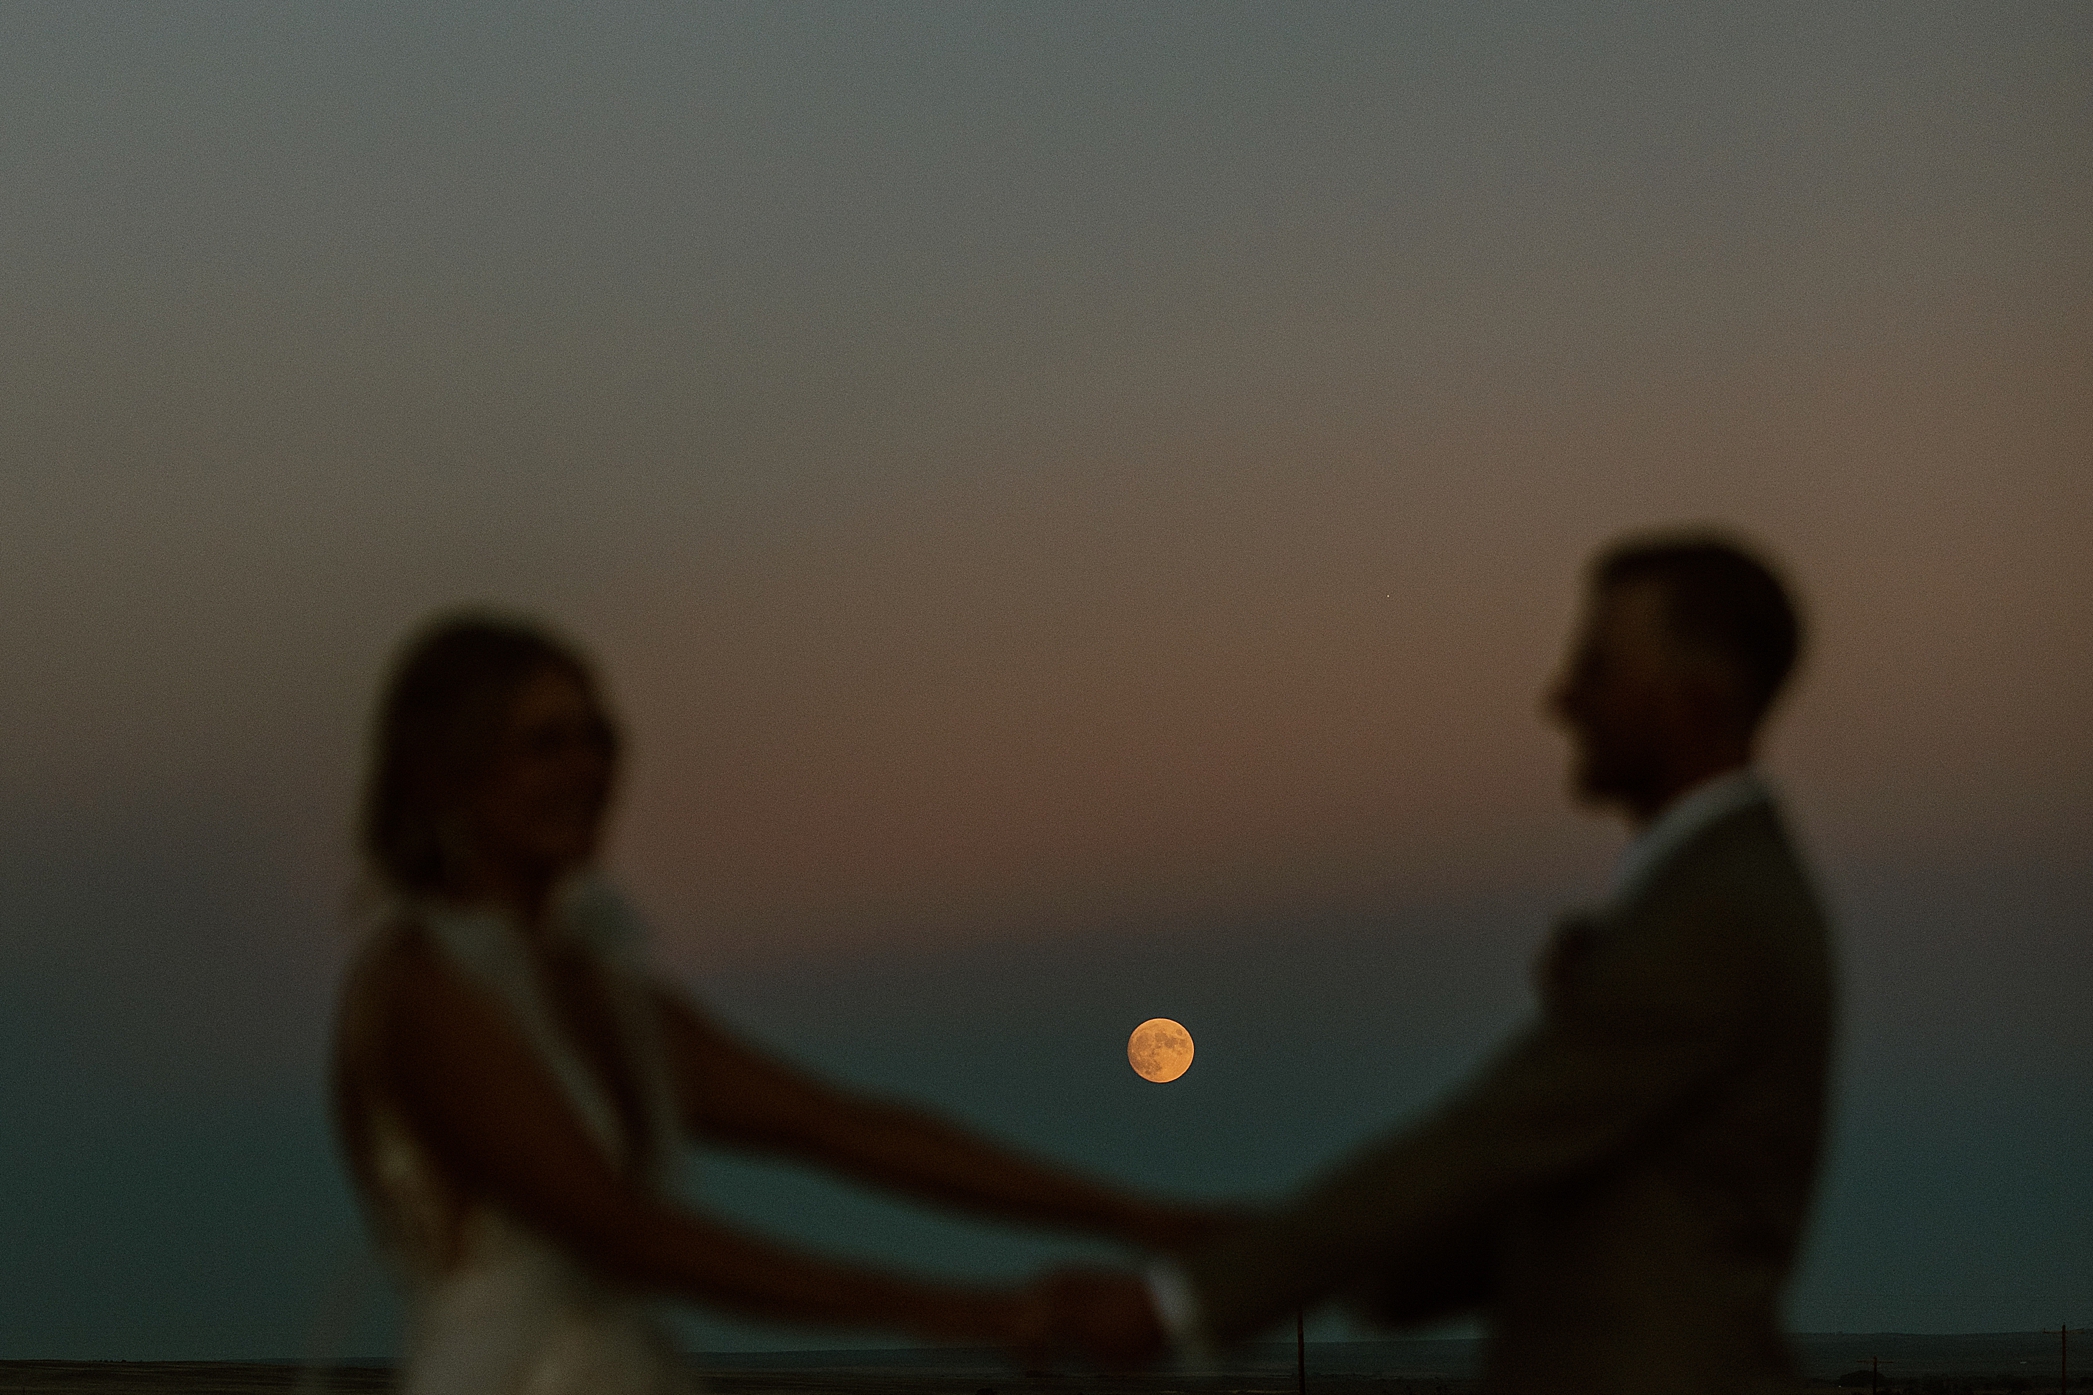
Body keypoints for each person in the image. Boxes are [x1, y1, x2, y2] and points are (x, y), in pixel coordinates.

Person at [332, 615, 1222, 1395]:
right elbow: (620, 1232)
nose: (588, 766)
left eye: (597, 736)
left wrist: (1144, 1216)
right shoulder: (423, 991)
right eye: (544, 743)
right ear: (448, 774)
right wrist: (969, 1308)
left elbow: (843, 1126)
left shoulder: (603, 991)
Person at [1041, 533, 1835, 1395]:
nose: (1558, 700)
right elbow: (1567, 1197)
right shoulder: (1699, 895)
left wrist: (1180, 1305)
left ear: (1694, 700)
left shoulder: (1711, 911)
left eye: (1597, 668)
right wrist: (1319, 1257)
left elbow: (1495, 1140)